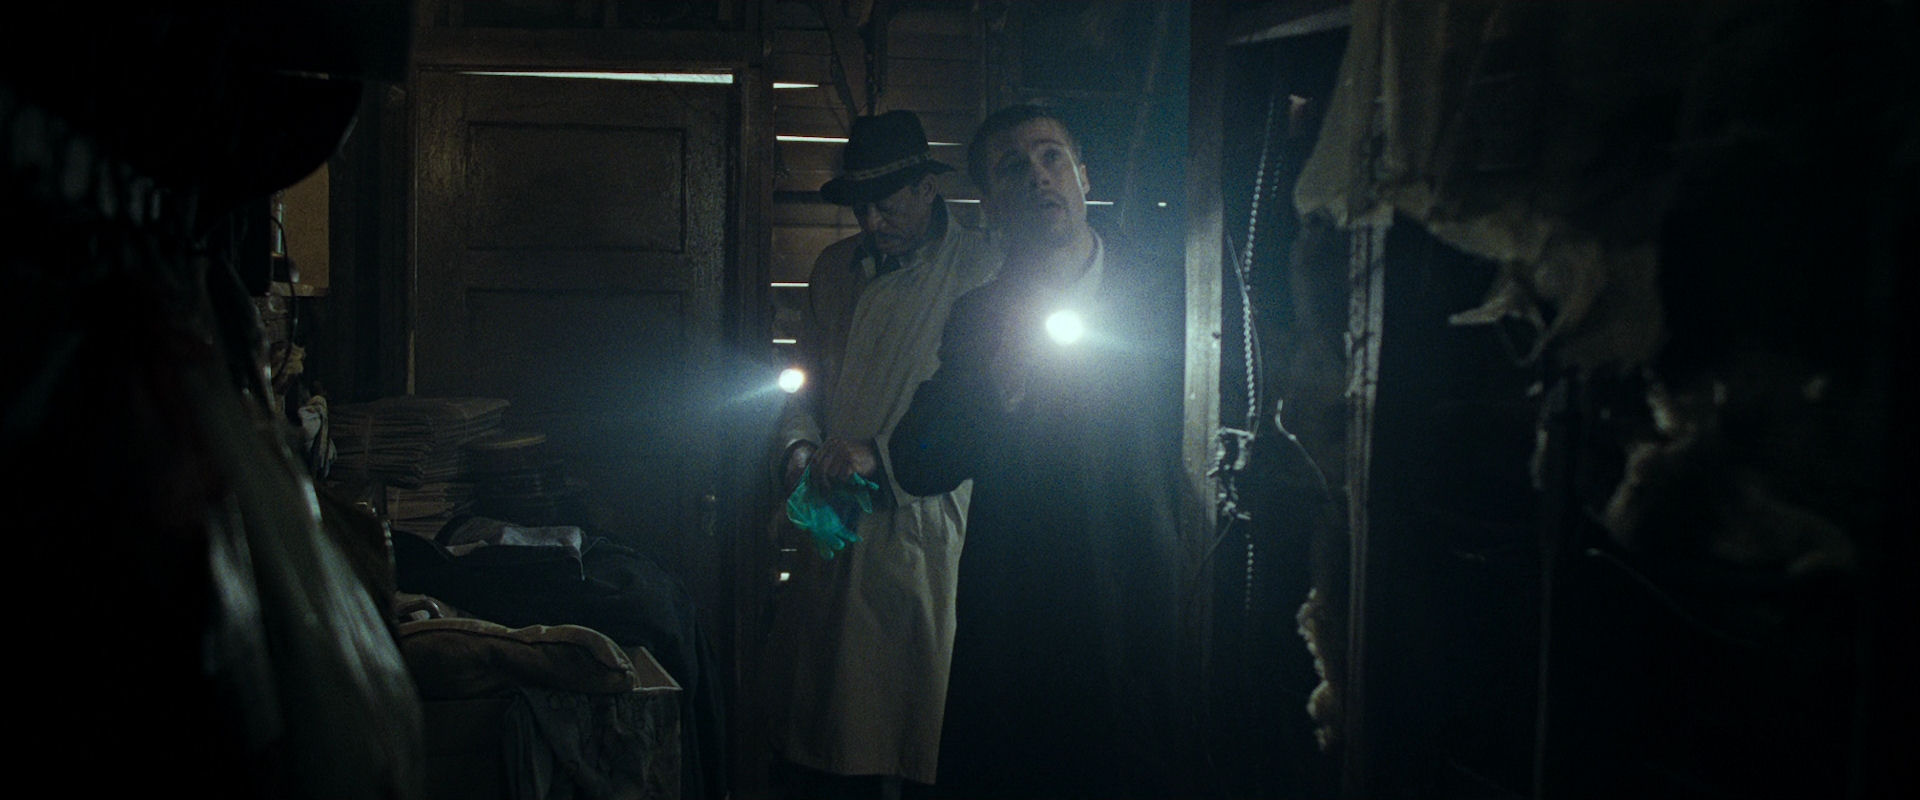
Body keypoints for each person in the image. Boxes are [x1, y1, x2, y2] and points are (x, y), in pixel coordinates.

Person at [888, 104, 1190, 799]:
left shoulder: (1172, 294)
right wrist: (997, 380)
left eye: (1051, 156)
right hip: (1025, 618)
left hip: (1148, 594)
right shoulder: (978, 317)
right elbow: (918, 459)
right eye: (1012, 168)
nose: (1038, 177)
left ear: (1084, 175)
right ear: (990, 205)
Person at [764, 109, 998, 799]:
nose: (871, 222)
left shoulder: (980, 268)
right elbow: (805, 380)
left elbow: (984, 409)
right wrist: (798, 447)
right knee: (826, 733)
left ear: (927, 188)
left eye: (886, 204)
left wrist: (885, 456)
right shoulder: (833, 270)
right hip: (833, 519)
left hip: (925, 523)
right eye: (860, 208)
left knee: (914, 730)